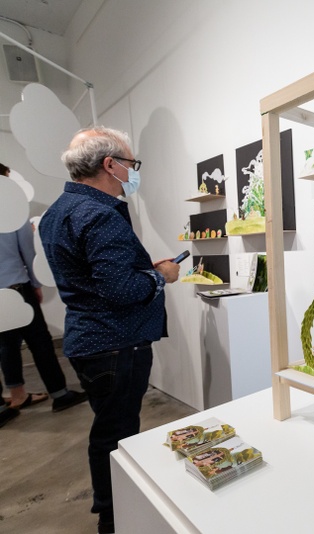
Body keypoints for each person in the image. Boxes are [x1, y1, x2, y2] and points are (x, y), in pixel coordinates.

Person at [39, 127, 180, 534]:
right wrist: (161, 276)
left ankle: (114, 509)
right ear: (110, 165)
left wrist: (139, 273)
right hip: (116, 343)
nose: (133, 172)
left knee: (110, 428)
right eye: (131, 164)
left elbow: (96, 278)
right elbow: (122, 291)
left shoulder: (58, 211)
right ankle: (116, 517)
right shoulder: (100, 214)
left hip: (90, 339)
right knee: (117, 434)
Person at [0, 162, 88, 415]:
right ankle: (60, 393)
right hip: (16, 287)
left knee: (6, 345)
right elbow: (28, 253)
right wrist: (37, 284)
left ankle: (15, 396)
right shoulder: (11, 209)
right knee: (39, 342)